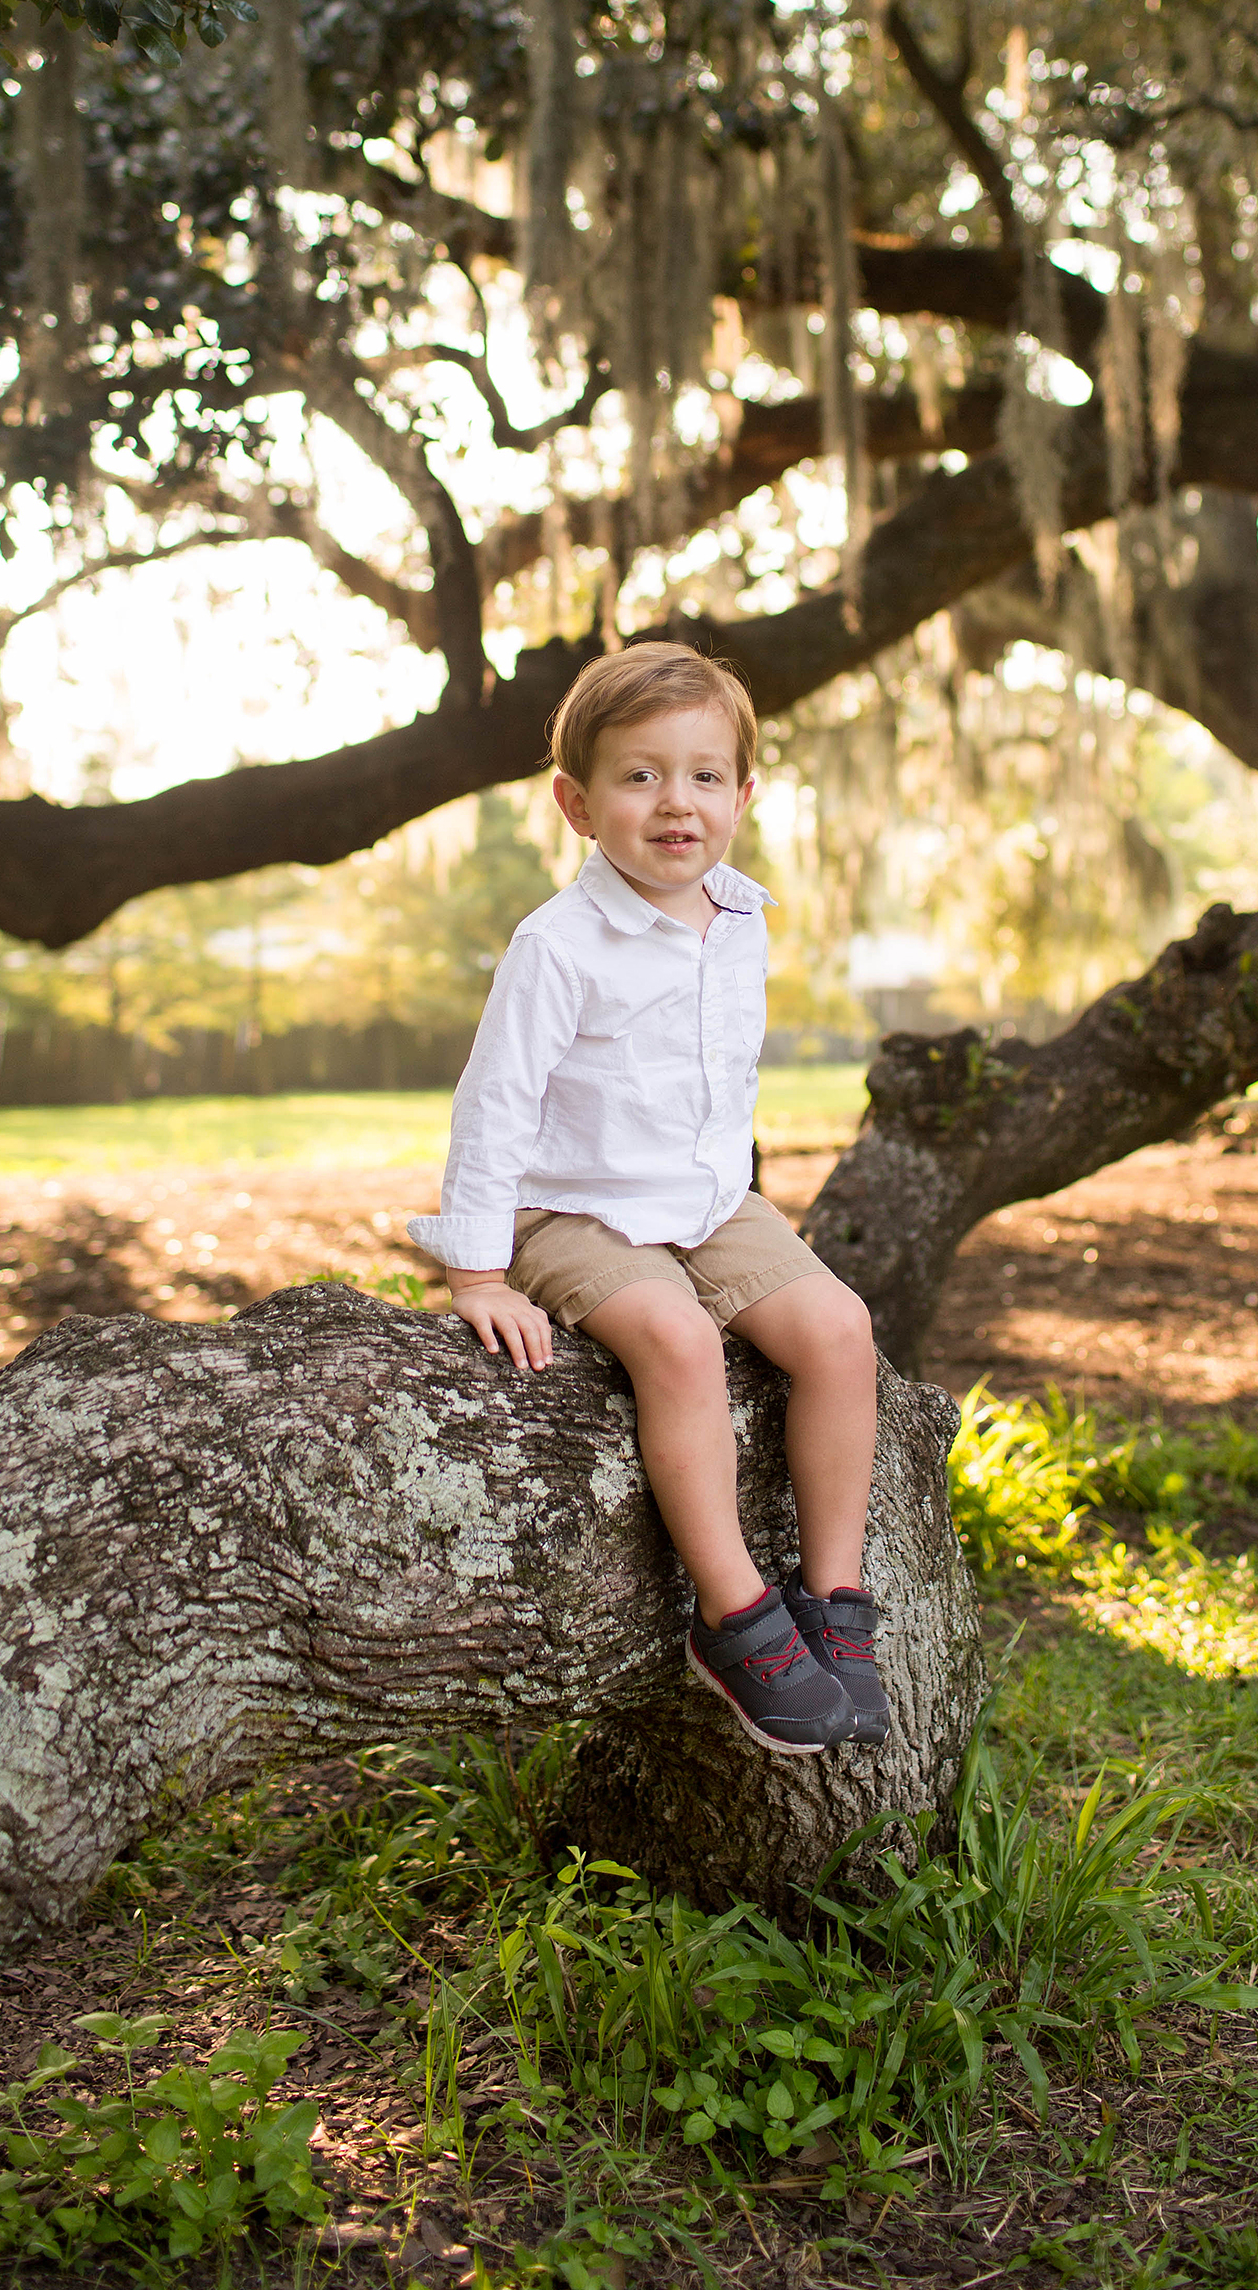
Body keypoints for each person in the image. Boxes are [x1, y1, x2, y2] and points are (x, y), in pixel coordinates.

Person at [408, 644, 888, 1757]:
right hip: (574, 1212)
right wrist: (479, 1269)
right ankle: (731, 1616)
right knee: (676, 1339)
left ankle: (834, 1597)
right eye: (639, 777)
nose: (676, 802)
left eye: (704, 776)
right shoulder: (557, 946)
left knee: (837, 1329)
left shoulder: (740, 919)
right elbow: (494, 1108)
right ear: (577, 804)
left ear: (743, 795)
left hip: (710, 1201)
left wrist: (740, 1220)